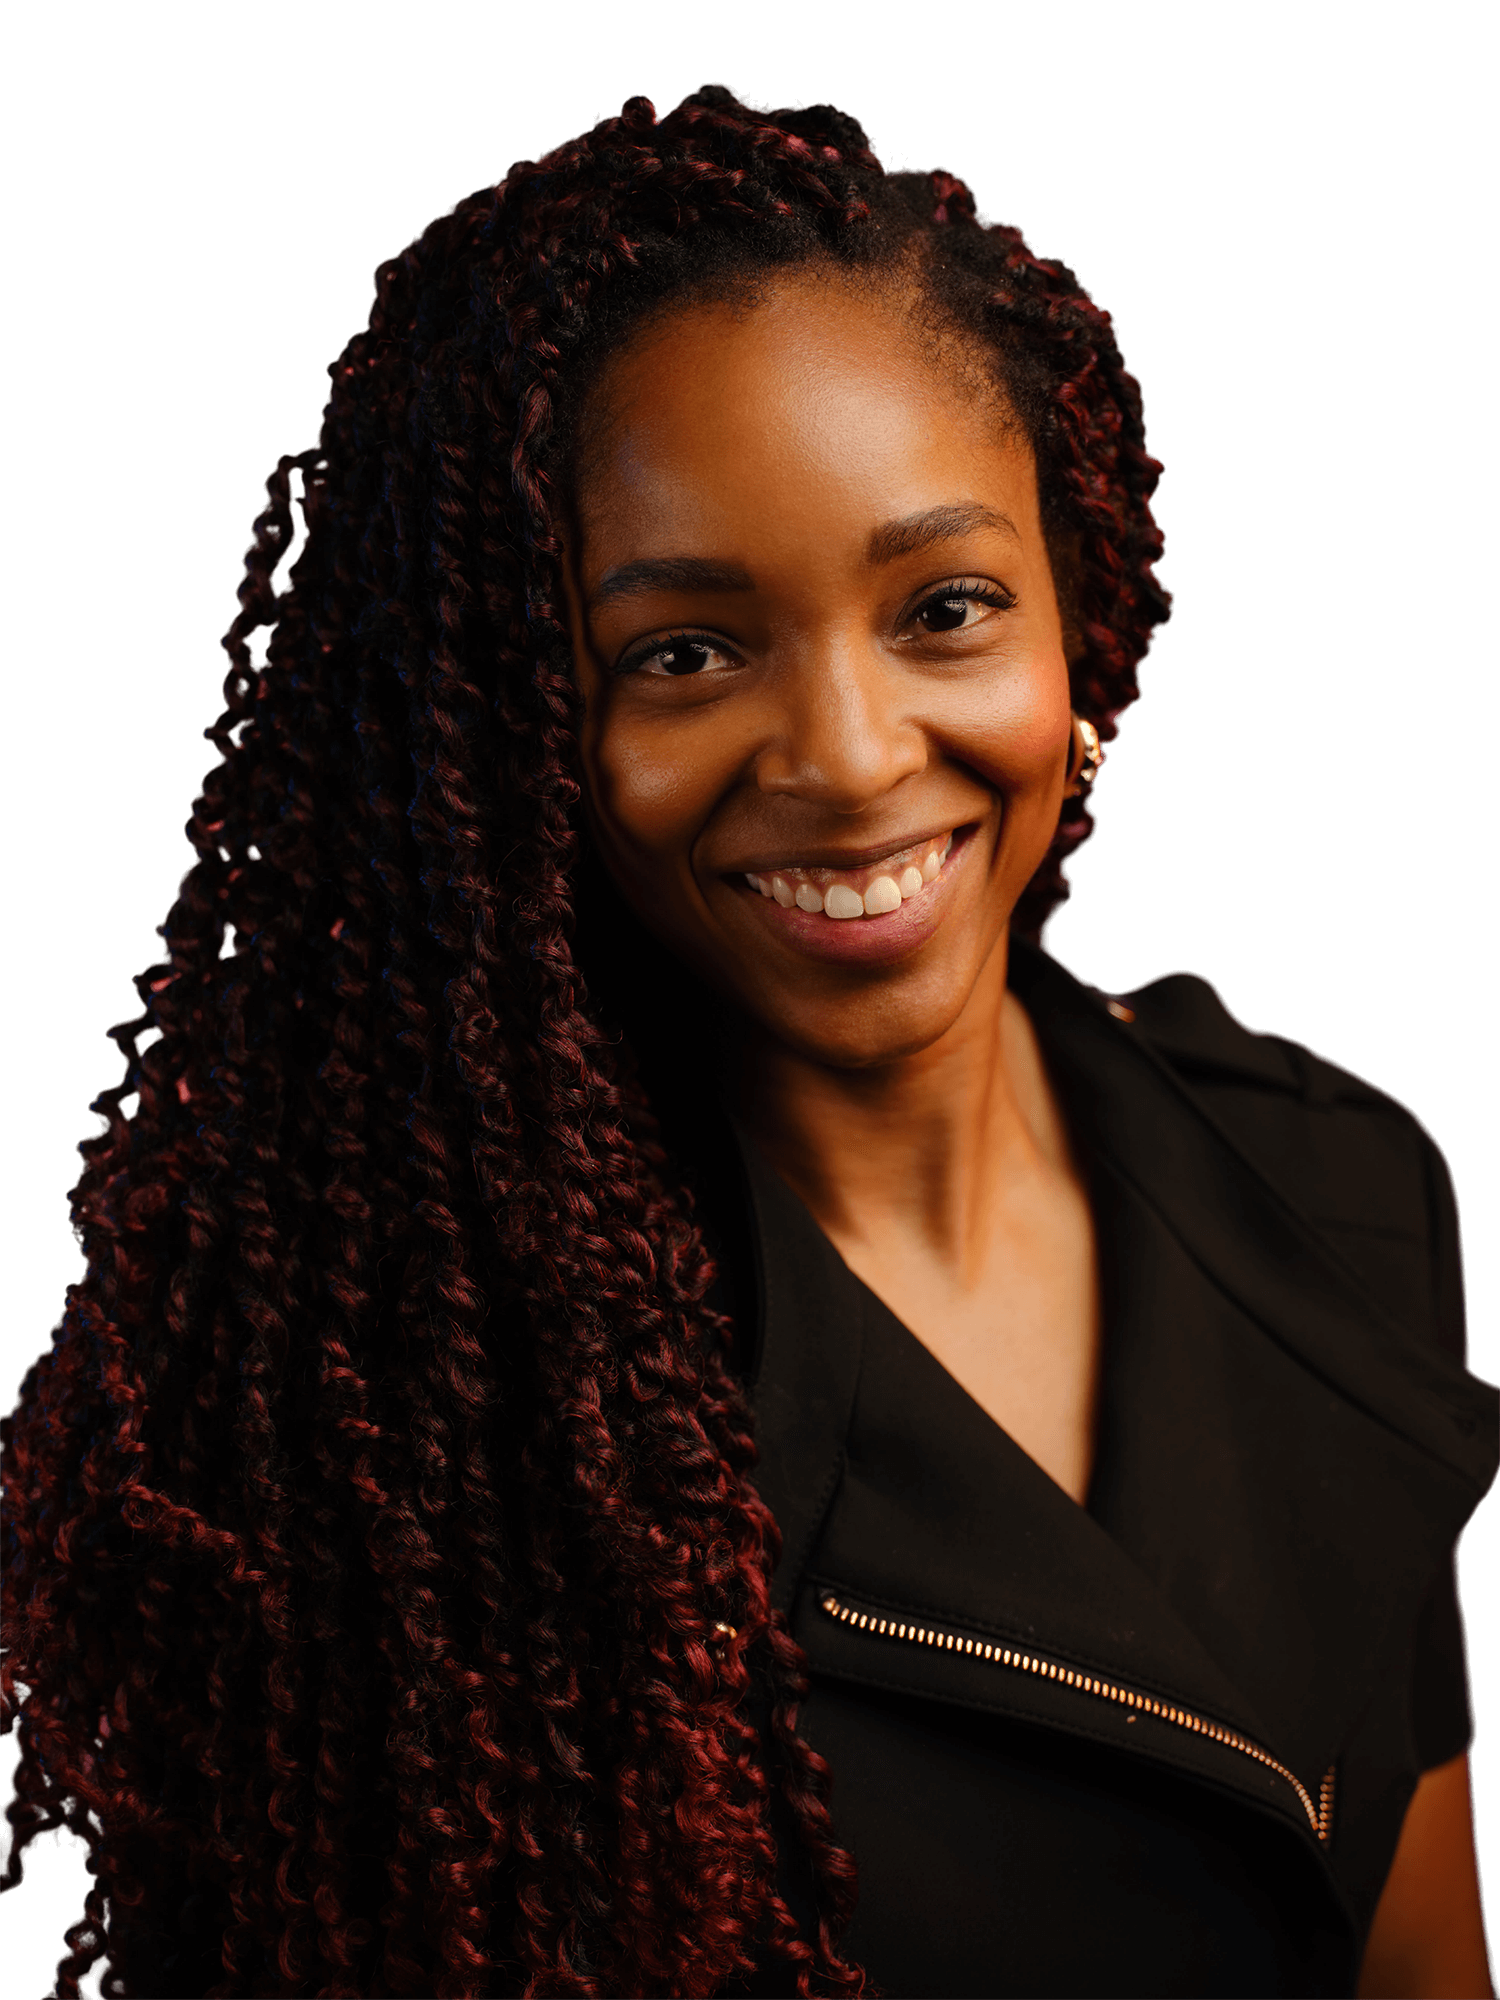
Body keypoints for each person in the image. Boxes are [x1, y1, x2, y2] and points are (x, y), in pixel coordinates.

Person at [2, 81, 1494, 2000]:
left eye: (945, 608)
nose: (853, 759)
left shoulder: (1338, 1179)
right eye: (687, 653)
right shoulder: (427, 1450)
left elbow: (1422, 1948)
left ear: (1080, 634)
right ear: (520, 748)